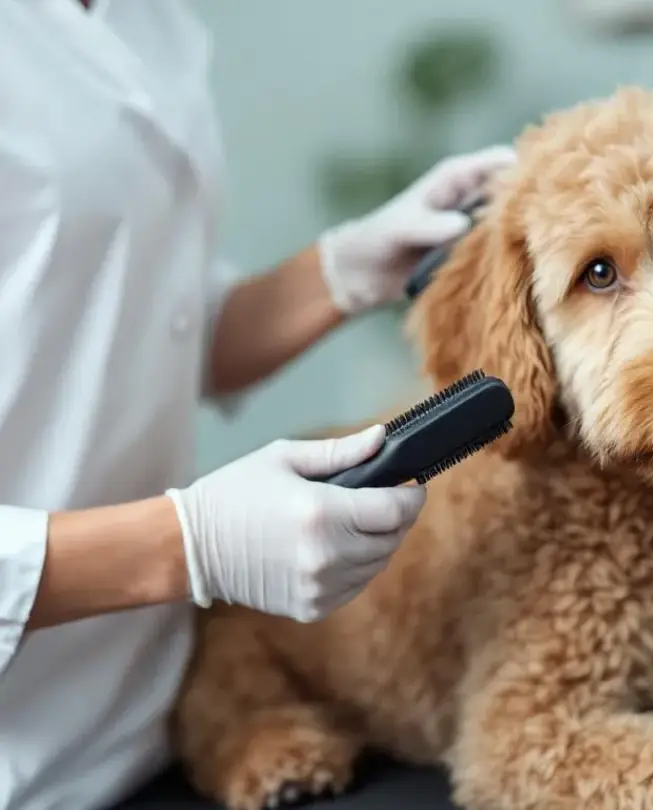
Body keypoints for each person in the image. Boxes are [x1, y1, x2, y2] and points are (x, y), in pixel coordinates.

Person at [0, 2, 516, 809]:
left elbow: (143, 332)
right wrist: (192, 545)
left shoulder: (148, 21)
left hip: (153, 721)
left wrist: (345, 269)